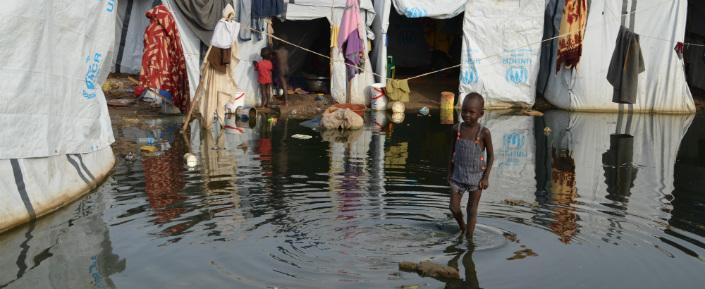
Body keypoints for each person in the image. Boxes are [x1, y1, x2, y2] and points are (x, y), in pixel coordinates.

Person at [448, 92, 494, 239]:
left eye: (472, 112)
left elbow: (491, 156)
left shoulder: (484, 133)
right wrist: (449, 172)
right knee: (454, 207)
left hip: (476, 178)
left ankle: (469, 239)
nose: (467, 115)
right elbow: (451, 152)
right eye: (464, 111)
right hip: (458, 175)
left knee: (471, 210)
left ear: (481, 114)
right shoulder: (457, 130)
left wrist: (486, 177)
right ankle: (462, 227)